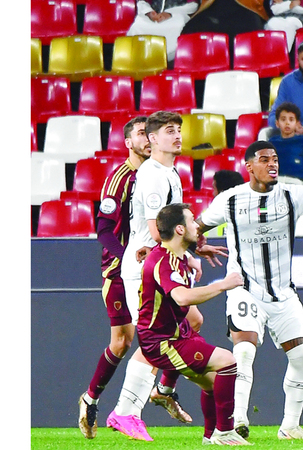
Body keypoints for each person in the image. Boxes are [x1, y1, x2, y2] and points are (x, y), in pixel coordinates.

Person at [194, 141, 303, 441]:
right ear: (249, 166)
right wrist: (197, 245)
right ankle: (237, 421)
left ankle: (290, 427)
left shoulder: (292, 194)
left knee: (302, 356)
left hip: (283, 293)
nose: (272, 164)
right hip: (245, 289)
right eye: (264, 159)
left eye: (274, 159)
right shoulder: (230, 200)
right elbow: (195, 227)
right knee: (244, 351)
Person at [109, 111, 226, 441]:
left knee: (193, 320)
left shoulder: (170, 171)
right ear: (152, 138)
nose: (177, 136)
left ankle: (163, 389)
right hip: (145, 269)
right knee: (154, 340)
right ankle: (126, 411)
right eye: (169, 131)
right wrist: (187, 256)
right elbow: (156, 230)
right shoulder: (152, 176)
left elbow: (174, 226)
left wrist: (193, 249)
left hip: (162, 264)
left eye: (179, 130)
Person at [79, 116, 163, 439]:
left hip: (148, 269)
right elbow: (103, 229)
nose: (147, 138)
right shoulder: (119, 179)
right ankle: (92, 399)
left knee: (157, 333)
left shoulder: (156, 175)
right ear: (128, 142)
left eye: (149, 133)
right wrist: (127, 257)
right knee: (123, 341)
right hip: (118, 271)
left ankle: (147, 399)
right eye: (141, 134)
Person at [138, 202, 249, 445]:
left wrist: (195, 253)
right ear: (179, 229)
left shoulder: (176, 255)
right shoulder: (163, 261)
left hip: (177, 334)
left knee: (213, 383)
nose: (197, 226)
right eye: (191, 221)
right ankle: (224, 432)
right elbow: (181, 297)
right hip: (162, 341)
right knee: (228, 361)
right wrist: (223, 284)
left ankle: (210, 437)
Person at [127, 1, 199, 61]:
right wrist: (149, 12)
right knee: (138, 25)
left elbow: (193, 5)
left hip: (176, 15)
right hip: (152, 16)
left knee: (178, 25)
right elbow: (142, 2)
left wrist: (169, 13)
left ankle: (165, 59)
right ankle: (138, 57)